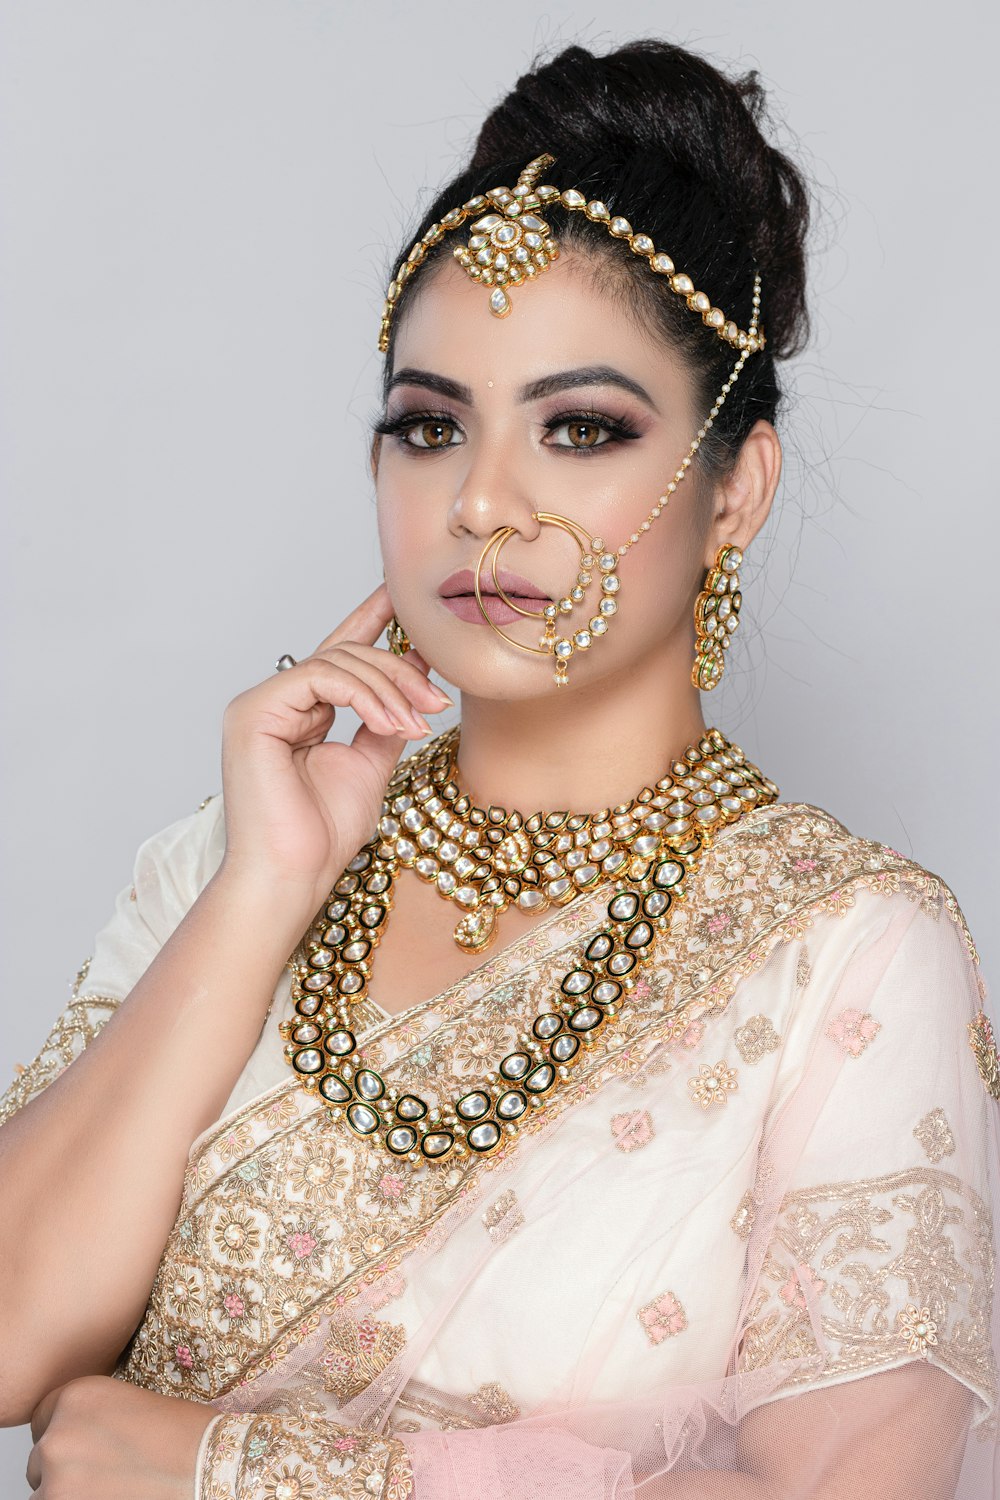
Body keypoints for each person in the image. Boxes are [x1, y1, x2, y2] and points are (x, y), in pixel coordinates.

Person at [2, 37, 997, 1500]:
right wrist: (261, 891)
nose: (479, 502)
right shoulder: (238, 857)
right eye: (428, 427)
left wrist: (238, 1472)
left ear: (738, 491)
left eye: (579, 429)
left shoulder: (845, 947)